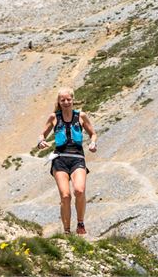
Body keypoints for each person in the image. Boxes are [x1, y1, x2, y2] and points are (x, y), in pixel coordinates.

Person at [37, 87, 97, 235]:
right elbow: (42, 135)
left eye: (68, 99)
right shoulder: (54, 117)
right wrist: (41, 142)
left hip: (77, 158)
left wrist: (93, 143)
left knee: (79, 190)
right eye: (62, 100)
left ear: (73, 100)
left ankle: (80, 223)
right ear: (59, 101)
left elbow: (93, 133)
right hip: (60, 159)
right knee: (65, 195)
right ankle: (67, 231)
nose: (65, 102)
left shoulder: (81, 116)